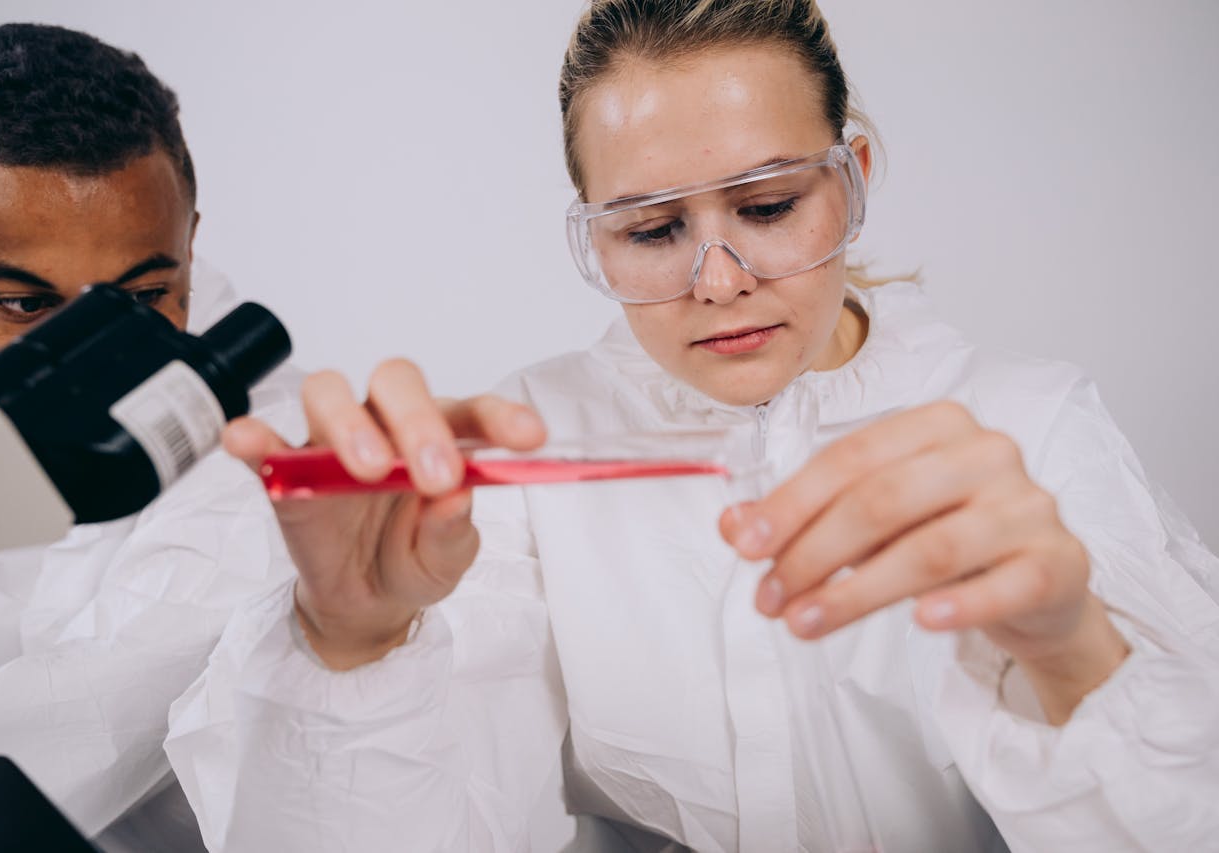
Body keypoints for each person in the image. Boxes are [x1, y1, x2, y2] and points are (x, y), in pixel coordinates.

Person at [166, 1, 1219, 850]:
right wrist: (351, 645)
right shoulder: (529, 447)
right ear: (591, 229)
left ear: (850, 181)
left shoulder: (1025, 425)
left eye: (766, 208)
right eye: (652, 229)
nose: (718, 282)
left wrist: (1074, 658)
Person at [0, 23, 303, 850]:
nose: (91, 362)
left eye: (143, 298)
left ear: (189, 242)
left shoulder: (261, 450)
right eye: (26, 305)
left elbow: (46, 754)